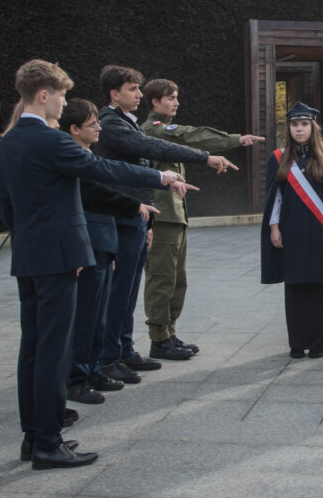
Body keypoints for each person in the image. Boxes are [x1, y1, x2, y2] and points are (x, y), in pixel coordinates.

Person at [0, 59, 192, 470]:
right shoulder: (49, 140)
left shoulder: (9, 141)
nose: (63, 102)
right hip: (59, 258)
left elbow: (8, 209)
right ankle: (48, 443)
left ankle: (34, 436)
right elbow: (100, 168)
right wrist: (161, 178)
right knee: (54, 349)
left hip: (29, 256)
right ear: (43, 95)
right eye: (61, 95)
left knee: (33, 348)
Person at [94, 65, 234, 383]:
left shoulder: (125, 122)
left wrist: (153, 210)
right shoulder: (112, 124)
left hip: (137, 215)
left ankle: (124, 349)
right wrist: (205, 157)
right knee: (122, 290)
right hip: (122, 216)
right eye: (133, 89)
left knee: (130, 290)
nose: (139, 95)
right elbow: (152, 149)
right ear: (115, 94)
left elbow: (141, 163)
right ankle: (109, 356)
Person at [141, 78, 262, 360]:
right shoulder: (154, 129)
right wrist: (234, 140)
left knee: (176, 279)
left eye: (176, 97)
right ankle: (159, 339)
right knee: (161, 278)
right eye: (170, 98)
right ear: (155, 102)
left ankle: (169, 333)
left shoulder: (162, 130)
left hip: (175, 215)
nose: (176, 102)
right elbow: (192, 136)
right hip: (162, 217)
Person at [58, 99, 157, 405]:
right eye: (92, 124)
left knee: (98, 314)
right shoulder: (72, 157)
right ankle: (76, 378)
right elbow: (91, 196)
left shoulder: (88, 154)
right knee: (86, 315)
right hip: (89, 242)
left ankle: (93, 369)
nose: (99, 128)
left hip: (104, 241)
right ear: (74, 129)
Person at [261, 102, 323, 359]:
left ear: (313, 127)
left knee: (317, 286)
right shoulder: (278, 158)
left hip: (320, 231)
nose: (299, 129)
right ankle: (297, 342)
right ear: (289, 128)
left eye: (304, 124)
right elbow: (274, 197)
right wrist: (274, 227)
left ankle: (318, 342)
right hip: (292, 230)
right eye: (295, 124)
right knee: (295, 286)